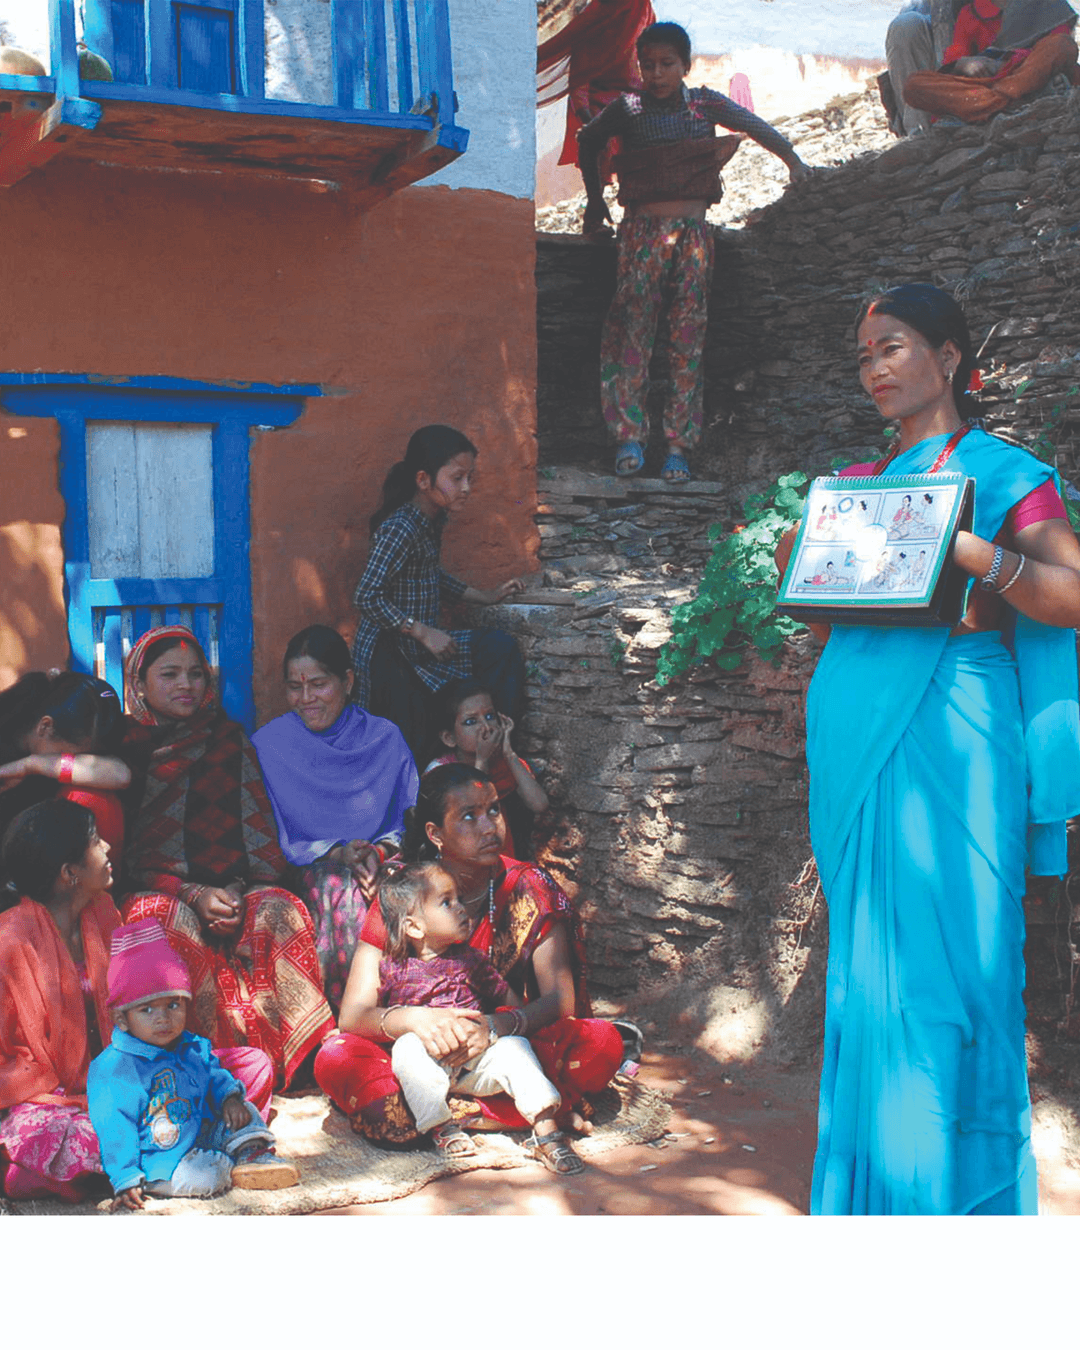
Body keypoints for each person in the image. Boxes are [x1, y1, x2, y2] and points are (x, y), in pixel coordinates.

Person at [777, 283, 1080, 1214]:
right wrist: (805, 562)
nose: (874, 367)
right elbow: (832, 623)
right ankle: (881, 1201)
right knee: (875, 983)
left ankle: (955, 1199)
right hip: (858, 733)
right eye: (864, 355)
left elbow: (1072, 596)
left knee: (961, 973)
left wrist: (976, 555)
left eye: (893, 346)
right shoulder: (856, 489)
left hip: (958, 732)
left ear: (949, 358)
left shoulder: (1005, 474)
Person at [314, 764, 625, 1145]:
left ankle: (441, 1117)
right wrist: (415, 1020)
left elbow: (560, 1003)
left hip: (502, 1049)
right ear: (435, 834)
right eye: (468, 816)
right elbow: (353, 1015)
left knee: (601, 1045)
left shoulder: (530, 886)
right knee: (336, 1057)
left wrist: (493, 1027)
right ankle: (533, 1109)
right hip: (415, 1055)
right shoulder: (405, 895)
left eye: (494, 810)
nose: (489, 826)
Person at [0, 799, 275, 1203]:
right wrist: (84, 1093)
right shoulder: (10, 940)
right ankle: (174, 1152)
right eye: (96, 841)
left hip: (140, 1073)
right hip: (61, 1099)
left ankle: (126, 1163)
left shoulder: (102, 913)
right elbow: (8, 1057)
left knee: (252, 1067)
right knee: (49, 1132)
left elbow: (144, 1004)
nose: (107, 847)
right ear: (70, 873)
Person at [577, 21, 809, 483]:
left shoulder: (704, 104)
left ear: (686, 65)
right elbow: (588, 141)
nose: (656, 74)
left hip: (693, 237)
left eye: (666, 64)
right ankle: (628, 438)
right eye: (647, 65)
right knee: (632, 329)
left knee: (688, 333)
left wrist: (794, 162)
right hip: (641, 234)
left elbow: (753, 125)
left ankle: (678, 447)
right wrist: (595, 201)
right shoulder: (629, 108)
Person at [119, 626, 334, 1090]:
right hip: (159, 890)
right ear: (139, 684)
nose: (186, 684)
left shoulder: (228, 739)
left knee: (278, 908)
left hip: (234, 885)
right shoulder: (124, 749)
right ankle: (194, 1067)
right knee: (163, 921)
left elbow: (258, 834)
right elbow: (124, 856)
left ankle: (301, 1066)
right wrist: (192, 893)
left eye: (196, 674)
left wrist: (235, 890)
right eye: (170, 674)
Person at [376, 860, 584, 1172]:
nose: (461, 908)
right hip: (429, 1065)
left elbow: (510, 1003)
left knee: (515, 1047)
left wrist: (505, 1027)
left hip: (476, 1063)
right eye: (447, 902)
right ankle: (441, 1126)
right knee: (406, 1048)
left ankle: (546, 1132)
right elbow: (374, 1017)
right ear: (415, 927)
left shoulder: (472, 961)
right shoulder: (394, 968)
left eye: (459, 899)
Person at [252, 624, 419, 1012]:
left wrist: (378, 852)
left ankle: (413, 1006)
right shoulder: (270, 746)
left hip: (383, 859)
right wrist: (337, 853)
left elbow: (410, 817)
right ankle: (353, 1016)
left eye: (318, 684)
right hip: (307, 868)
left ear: (347, 681)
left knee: (401, 892)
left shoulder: (384, 738)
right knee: (339, 887)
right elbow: (268, 832)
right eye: (295, 687)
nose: (306, 698)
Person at [88, 918, 296, 1209]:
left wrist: (229, 1099)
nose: (163, 1018)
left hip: (199, 1133)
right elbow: (114, 1128)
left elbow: (214, 1075)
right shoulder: (115, 1067)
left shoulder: (190, 1045)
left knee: (243, 1109)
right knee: (209, 1177)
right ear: (122, 1019)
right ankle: (171, 1179)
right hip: (159, 1157)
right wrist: (125, 1176)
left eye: (173, 1005)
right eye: (147, 1010)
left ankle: (252, 1156)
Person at [351, 424, 527, 762]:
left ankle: (496, 749)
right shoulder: (401, 527)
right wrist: (422, 632)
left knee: (498, 650)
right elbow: (366, 595)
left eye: (470, 478)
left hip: (419, 647)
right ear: (423, 480)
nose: (466, 488)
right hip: (390, 653)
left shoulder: (430, 520)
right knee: (413, 741)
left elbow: (429, 575)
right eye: (457, 478)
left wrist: (486, 596)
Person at [0, 670, 129, 897]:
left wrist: (31, 764)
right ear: (45, 727)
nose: (70, 763)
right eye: (69, 755)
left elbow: (120, 775)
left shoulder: (35, 758)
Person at [537, 0, 656, 237]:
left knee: (643, 149)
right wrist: (587, 118)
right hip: (598, 101)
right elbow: (579, 79)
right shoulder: (594, 18)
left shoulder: (641, 9)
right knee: (598, 144)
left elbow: (655, 49)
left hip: (636, 98)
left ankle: (635, 219)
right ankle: (594, 217)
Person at [424, 680, 549, 859]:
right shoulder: (441, 771)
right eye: (471, 721)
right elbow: (474, 807)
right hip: (463, 862)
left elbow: (539, 804)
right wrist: (482, 761)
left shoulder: (502, 763)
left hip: (502, 858)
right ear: (449, 738)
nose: (486, 727)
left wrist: (509, 753)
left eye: (490, 716)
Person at [901, 0, 1079, 125]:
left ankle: (990, 105)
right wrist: (966, 63)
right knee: (915, 85)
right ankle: (1013, 102)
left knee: (1061, 44)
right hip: (988, 82)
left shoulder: (1048, 4)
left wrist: (1010, 62)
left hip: (1030, 73)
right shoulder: (970, 12)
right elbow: (955, 61)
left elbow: (1059, 48)